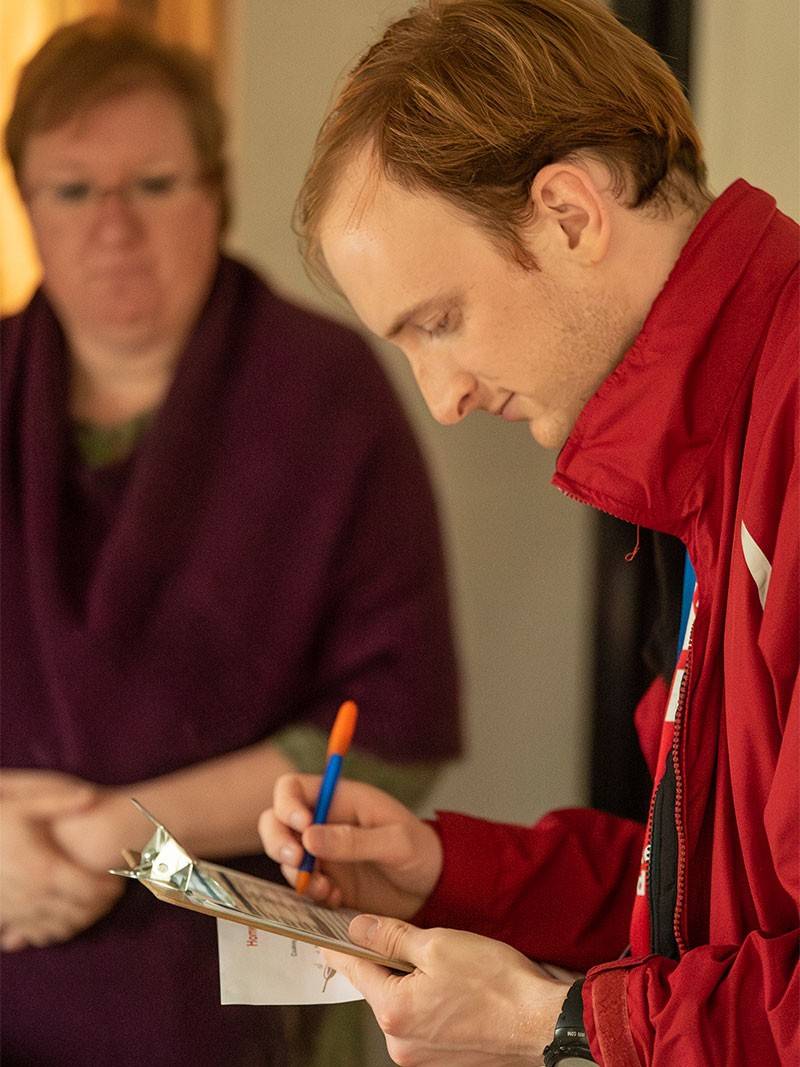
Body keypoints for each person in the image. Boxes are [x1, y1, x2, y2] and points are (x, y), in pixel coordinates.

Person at [259, 1, 799, 1064]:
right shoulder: (698, 465)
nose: (443, 398)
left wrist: (552, 1024)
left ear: (565, 213)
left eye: (438, 321)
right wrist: (443, 874)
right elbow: (703, 901)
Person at [0, 15, 461, 1066]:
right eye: (73, 190)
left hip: (249, 987)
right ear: (27, 203)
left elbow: (392, 725)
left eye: (152, 184)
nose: (112, 225)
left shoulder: (325, 396)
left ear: (214, 189)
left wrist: (123, 834)